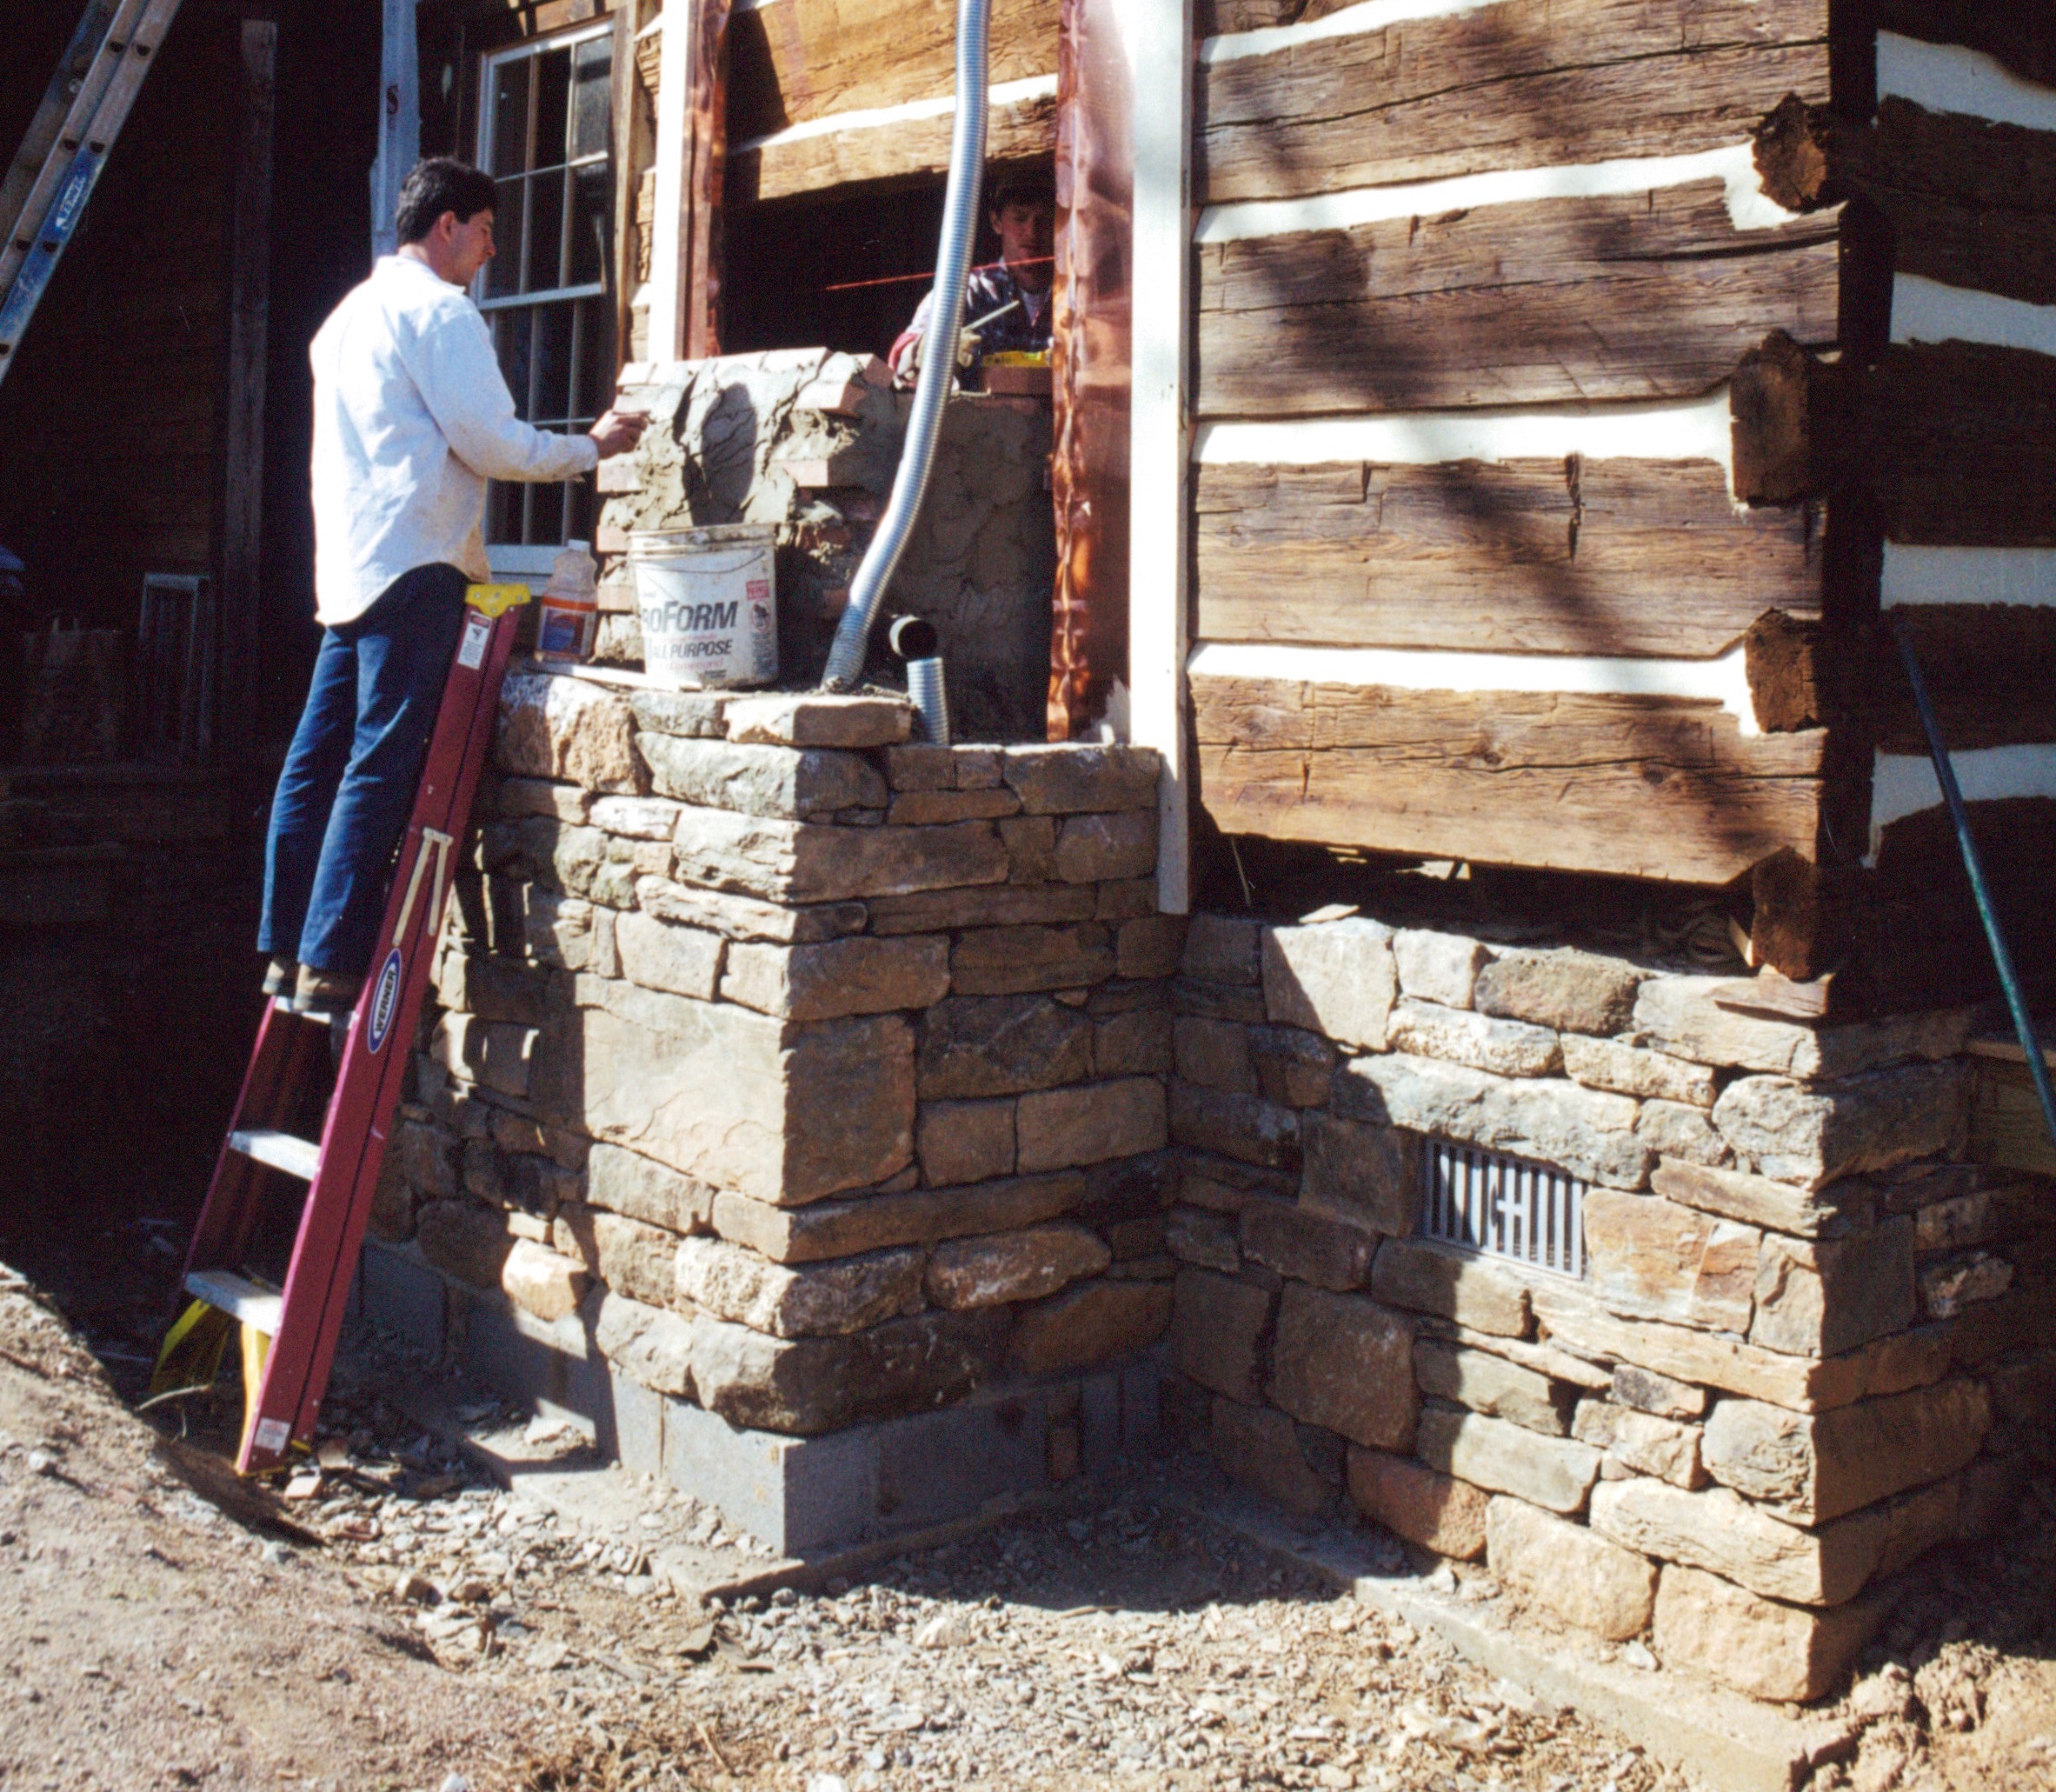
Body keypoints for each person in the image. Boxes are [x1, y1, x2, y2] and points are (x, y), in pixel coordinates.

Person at [259, 157, 646, 1013]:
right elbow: (493, 442)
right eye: (485, 230)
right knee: (378, 764)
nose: (492, 251)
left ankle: (284, 949)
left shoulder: (347, 316)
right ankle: (331, 960)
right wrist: (591, 448)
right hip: (417, 563)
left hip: (353, 566)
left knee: (317, 761)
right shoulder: (437, 313)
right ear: (446, 226)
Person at [888, 169, 1054, 390]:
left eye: (1044, 220)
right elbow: (902, 363)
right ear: (996, 222)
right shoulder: (968, 291)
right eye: (1020, 218)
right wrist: (924, 351)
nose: (1032, 232)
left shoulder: (1081, 294)